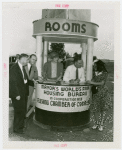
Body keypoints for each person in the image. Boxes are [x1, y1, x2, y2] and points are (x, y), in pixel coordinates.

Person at [86, 60, 112, 131]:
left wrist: (91, 82)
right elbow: (92, 83)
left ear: (99, 66)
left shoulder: (105, 73)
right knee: (95, 109)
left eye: (95, 66)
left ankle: (101, 124)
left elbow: (102, 83)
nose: (94, 67)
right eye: (94, 66)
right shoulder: (94, 73)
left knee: (103, 109)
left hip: (103, 93)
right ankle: (97, 123)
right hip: (96, 93)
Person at [9, 53, 29, 134]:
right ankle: (17, 129)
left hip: (23, 93)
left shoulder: (22, 67)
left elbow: (24, 79)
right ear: (23, 59)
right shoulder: (14, 68)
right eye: (27, 59)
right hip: (18, 94)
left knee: (22, 111)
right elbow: (12, 83)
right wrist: (16, 94)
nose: (28, 61)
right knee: (18, 112)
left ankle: (20, 126)